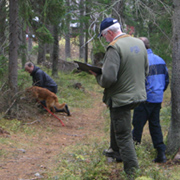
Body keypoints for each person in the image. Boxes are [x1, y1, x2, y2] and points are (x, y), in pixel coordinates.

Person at [90, 17, 149, 175]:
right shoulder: (139, 43)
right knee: (118, 122)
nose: (105, 40)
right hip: (138, 95)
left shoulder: (114, 47)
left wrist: (96, 75)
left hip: (121, 98)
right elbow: (146, 71)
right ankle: (114, 151)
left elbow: (108, 79)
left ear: (109, 32)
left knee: (123, 135)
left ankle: (132, 172)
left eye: (104, 36)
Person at [132, 37, 169, 163]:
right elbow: (166, 80)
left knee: (137, 125)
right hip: (157, 98)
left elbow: (138, 82)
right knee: (155, 126)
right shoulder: (161, 60)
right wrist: (158, 92)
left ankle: (134, 154)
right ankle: (161, 153)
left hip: (144, 99)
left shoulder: (142, 61)